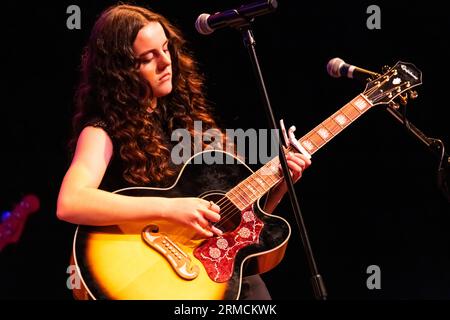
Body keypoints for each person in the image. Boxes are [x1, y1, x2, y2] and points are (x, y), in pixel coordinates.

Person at [57, 4, 311, 300]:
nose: (166, 63)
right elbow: (70, 202)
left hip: (217, 274)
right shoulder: (102, 130)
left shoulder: (187, 120)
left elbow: (236, 222)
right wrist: (171, 209)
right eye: (148, 58)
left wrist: (280, 184)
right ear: (120, 71)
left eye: (166, 49)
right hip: (156, 278)